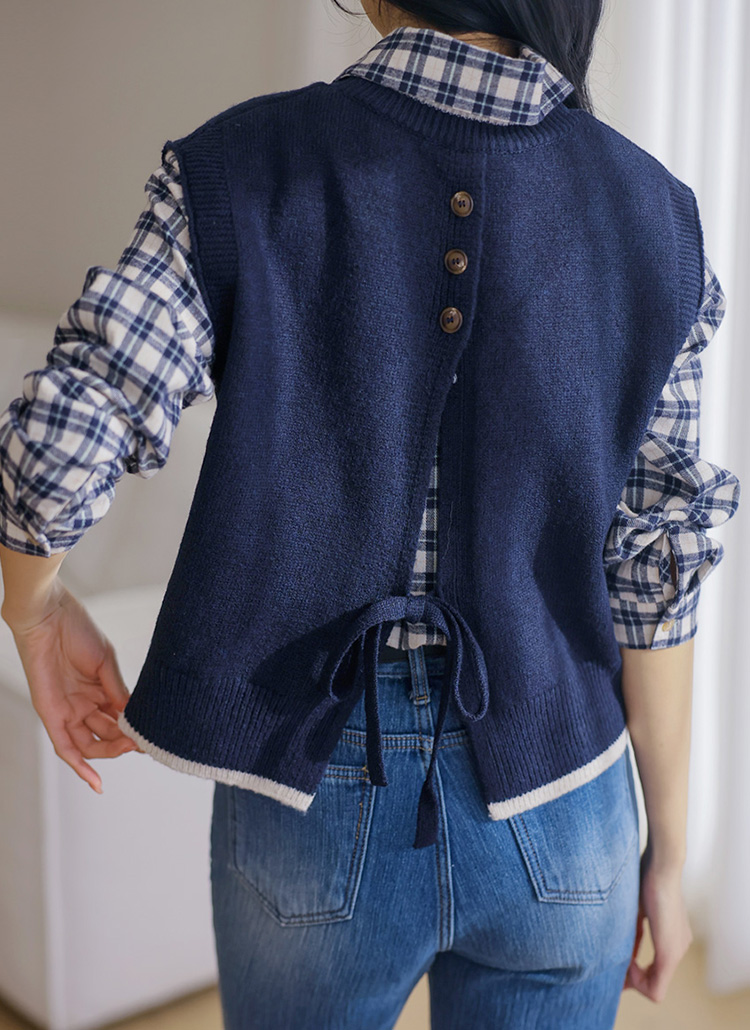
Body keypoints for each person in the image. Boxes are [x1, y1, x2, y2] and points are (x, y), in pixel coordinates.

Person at [0, 0, 741, 1026]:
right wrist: (667, 852)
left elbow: (64, 432)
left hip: (313, 787)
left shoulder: (241, 165)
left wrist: (33, 609)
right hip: (567, 799)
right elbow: (657, 574)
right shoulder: (658, 217)